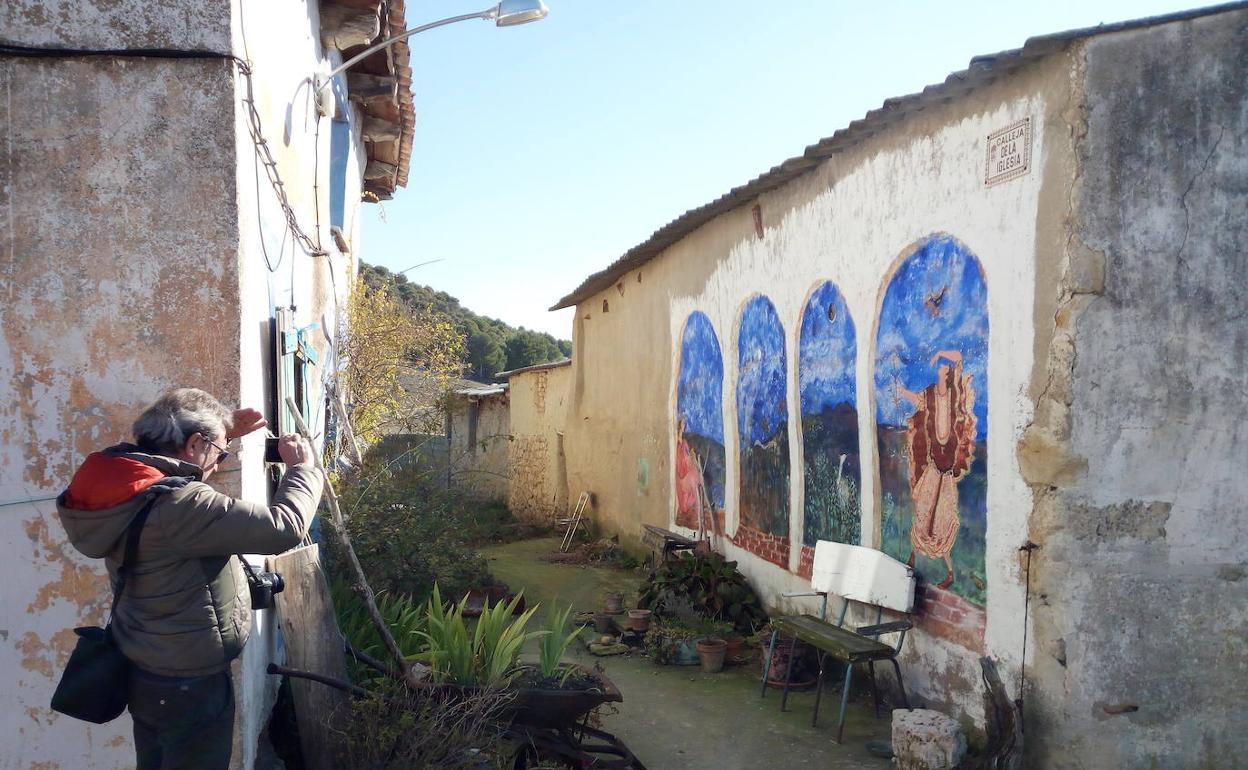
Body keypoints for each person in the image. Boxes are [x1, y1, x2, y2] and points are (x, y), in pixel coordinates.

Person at [56, 388, 324, 770]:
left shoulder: (123, 485)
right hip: (190, 683)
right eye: (218, 452)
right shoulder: (182, 505)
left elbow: (178, 469)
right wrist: (302, 468)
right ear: (194, 442)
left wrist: (222, 433)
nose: (217, 464)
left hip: (146, 667)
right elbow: (285, 527)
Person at [896, 350, 977, 590]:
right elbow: (918, 401)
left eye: (945, 366)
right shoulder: (931, 394)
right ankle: (912, 556)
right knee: (923, 510)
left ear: (949, 371)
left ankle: (950, 572)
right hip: (933, 465)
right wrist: (901, 392)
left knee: (943, 519)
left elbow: (959, 356)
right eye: (941, 366)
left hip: (948, 469)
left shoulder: (955, 396)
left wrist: (941, 352)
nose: (943, 368)